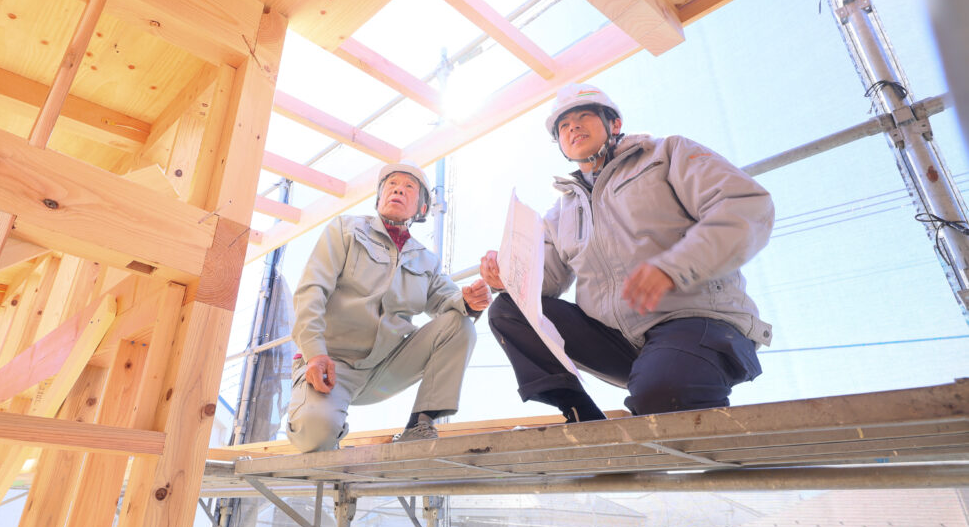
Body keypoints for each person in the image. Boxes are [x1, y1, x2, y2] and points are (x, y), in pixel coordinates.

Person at [479, 84, 773, 422]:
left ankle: (675, 388)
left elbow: (746, 206)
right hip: (618, 342)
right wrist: (506, 278)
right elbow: (542, 284)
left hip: (699, 322)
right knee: (508, 309)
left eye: (584, 116)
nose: (572, 126)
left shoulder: (667, 155)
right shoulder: (560, 213)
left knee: (662, 392)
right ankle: (579, 413)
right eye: (563, 125)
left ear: (614, 124)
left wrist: (673, 268)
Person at [287, 160, 492, 451]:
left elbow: (448, 302)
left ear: (421, 209)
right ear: (379, 198)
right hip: (330, 364)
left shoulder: (426, 260)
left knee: (460, 323)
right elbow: (311, 291)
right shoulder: (345, 230)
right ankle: (326, 419)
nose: (398, 189)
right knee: (315, 432)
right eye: (391, 185)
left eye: (409, 187)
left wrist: (469, 301)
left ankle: (419, 424)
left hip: (386, 367)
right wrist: (314, 354)